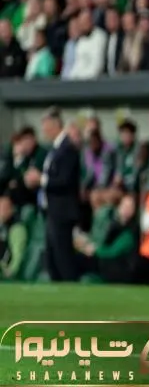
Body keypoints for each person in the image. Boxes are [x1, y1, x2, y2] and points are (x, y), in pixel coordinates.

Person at [38, 107, 81, 281]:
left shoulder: (68, 149)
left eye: (46, 125)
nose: (44, 130)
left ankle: (71, 288)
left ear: (55, 125)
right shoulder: (55, 149)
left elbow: (64, 180)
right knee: (52, 257)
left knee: (63, 256)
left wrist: (41, 180)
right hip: (52, 210)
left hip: (62, 211)